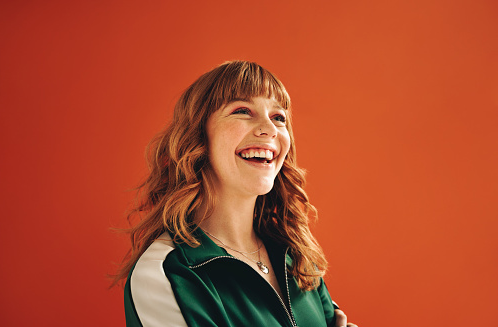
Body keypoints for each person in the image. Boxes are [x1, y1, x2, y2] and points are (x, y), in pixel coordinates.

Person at [114, 60, 358, 327]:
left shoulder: (298, 259)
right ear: (198, 137)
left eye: (279, 117)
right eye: (242, 110)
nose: (269, 129)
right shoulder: (167, 273)